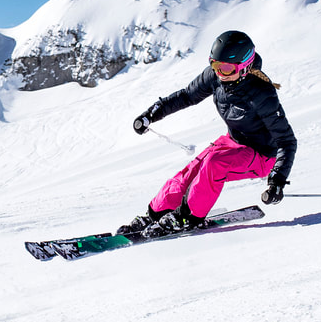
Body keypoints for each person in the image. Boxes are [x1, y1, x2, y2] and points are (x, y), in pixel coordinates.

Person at [118, 30, 297, 236]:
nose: (220, 73)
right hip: (232, 143)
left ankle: (188, 216)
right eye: (215, 65)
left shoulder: (261, 93)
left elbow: (287, 141)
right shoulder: (216, 77)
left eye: (227, 68)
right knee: (191, 172)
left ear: (245, 66)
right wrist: (152, 114)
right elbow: (186, 96)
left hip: (262, 155)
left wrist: (277, 181)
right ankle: (155, 214)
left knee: (214, 165)